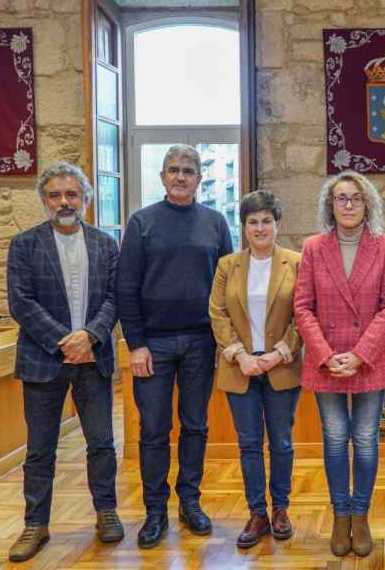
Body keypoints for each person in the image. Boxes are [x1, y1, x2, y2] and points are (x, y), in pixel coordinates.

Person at [117, 144, 233, 548]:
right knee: (153, 429)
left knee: (196, 426)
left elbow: (226, 289)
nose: (180, 176)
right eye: (173, 170)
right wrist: (136, 344)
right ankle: (154, 512)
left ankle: (190, 502)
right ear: (162, 177)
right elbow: (126, 288)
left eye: (188, 170)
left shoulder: (216, 223)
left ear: (199, 178)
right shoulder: (142, 222)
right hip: (154, 345)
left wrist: (225, 341)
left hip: (202, 342)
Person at [6, 162, 122, 561]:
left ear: (86, 199)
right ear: (44, 201)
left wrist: (89, 336)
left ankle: (106, 512)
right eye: (55, 195)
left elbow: (114, 298)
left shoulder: (106, 245)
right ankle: (35, 525)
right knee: (40, 449)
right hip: (43, 360)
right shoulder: (24, 244)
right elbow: (21, 302)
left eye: (71, 194)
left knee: (102, 443)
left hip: (94, 357)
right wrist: (64, 341)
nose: (64, 202)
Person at [293, 171, 385, 558]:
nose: (349, 205)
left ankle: (362, 514)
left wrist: (360, 354)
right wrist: (325, 354)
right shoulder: (313, 247)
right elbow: (303, 306)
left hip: (368, 360)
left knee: (368, 442)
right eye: (341, 198)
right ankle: (341, 514)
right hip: (328, 361)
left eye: (356, 198)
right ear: (331, 205)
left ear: (367, 202)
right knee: (336, 439)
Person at [208, 190, 302, 549]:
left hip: (281, 366)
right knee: (249, 444)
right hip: (240, 368)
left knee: (281, 442)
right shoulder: (227, 265)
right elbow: (217, 313)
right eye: (253, 222)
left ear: (277, 225)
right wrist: (238, 355)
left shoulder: (296, 262)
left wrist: (279, 353)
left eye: (266, 221)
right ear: (244, 226)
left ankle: (281, 509)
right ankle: (257, 512)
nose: (260, 228)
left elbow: (304, 313)